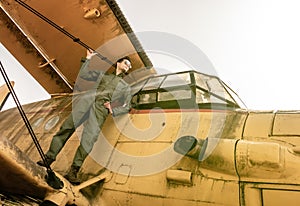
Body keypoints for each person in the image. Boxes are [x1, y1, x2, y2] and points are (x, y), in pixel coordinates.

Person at [37, 50, 132, 184]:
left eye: (130, 66)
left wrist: (113, 107)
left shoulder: (126, 87)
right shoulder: (102, 75)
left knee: (89, 139)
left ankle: (73, 171)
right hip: (86, 102)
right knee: (67, 127)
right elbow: (84, 74)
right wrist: (87, 59)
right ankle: (49, 158)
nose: (129, 66)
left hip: (100, 110)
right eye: (127, 63)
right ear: (118, 63)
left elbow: (127, 105)